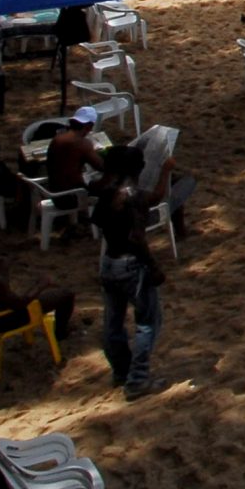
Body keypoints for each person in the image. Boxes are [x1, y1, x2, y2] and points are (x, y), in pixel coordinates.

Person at [90, 146, 164, 398]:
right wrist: (153, 266)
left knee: (113, 321)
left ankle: (121, 372)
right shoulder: (134, 197)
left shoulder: (107, 194)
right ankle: (138, 379)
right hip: (133, 265)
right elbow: (137, 237)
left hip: (109, 262)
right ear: (139, 169)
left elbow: (99, 220)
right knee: (147, 323)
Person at [0, 216, 76, 341]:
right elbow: (19, 304)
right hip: (4, 321)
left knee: (2, 263)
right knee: (66, 295)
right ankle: (60, 333)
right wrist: (41, 285)